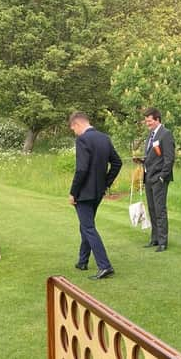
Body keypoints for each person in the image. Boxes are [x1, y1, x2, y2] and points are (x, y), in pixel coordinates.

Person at [68, 111, 122, 280]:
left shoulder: (82, 139)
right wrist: (106, 182)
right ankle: (82, 261)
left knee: (88, 227)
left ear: (77, 124)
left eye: (73, 129)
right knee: (86, 224)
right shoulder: (104, 138)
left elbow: (81, 169)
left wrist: (73, 192)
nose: (74, 132)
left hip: (84, 193)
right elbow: (117, 162)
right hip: (98, 192)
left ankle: (105, 265)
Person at [142, 107, 175, 252]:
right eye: (146, 121)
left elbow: (169, 158)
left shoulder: (165, 134)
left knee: (160, 209)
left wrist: (162, 176)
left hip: (159, 178)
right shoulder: (151, 135)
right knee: (151, 209)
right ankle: (154, 239)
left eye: (149, 121)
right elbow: (152, 156)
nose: (147, 124)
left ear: (157, 120)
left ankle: (163, 241)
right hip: (148, 177)